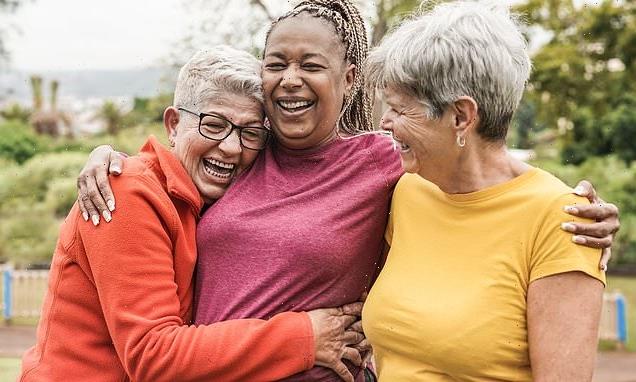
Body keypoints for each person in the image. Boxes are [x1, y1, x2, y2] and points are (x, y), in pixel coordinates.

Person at [76, 0, 619, 381]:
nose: (290, 79)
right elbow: (182, 157)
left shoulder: (385, 166)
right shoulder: (243, 152)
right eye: (276, 64)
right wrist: (112, 161)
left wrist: (574, 208)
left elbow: (482, 167)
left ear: (350, 78)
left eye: (311, 65)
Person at [20, 46, 368, 382]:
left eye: (249, 133)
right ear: (173, 124)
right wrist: (304, 337)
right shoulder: (126, 193)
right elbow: (152, 354)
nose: (231, 148)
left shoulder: (214, 201)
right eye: (213, 125)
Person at [362, 2, 610, 381]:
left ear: (461, 116)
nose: (385, 122)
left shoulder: (565, 221)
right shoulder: (408, 189)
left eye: (400, 109)